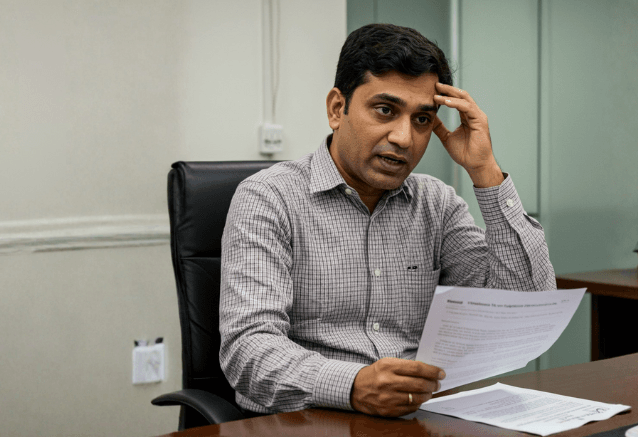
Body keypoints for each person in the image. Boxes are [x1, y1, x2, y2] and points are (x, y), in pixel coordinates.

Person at [218, 23, 556, 418]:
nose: (403, 138)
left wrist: (485, 171)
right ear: (337, 108)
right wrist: (353, 386)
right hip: (308, 418)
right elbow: (248, 348)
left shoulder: (437, 203)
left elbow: (524, 311)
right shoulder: (269, 198)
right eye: (385, 110)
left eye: (422, 120)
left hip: (421, 417)